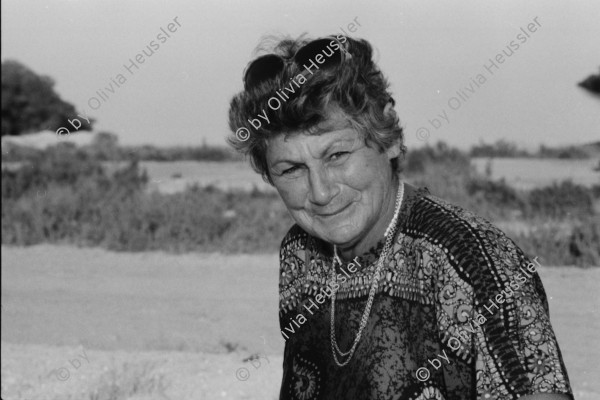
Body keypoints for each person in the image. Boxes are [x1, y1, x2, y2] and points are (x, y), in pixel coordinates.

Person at [227, 34, 573, 400]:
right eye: (292, 169)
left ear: (388, 140)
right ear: (269, 176)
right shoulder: (301, 252)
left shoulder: (472, 263)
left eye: (337, 156)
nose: (322, 192)